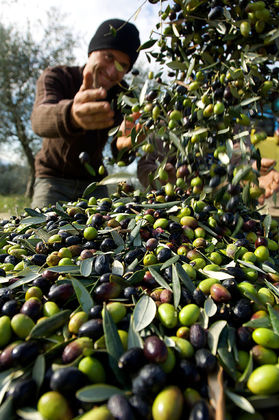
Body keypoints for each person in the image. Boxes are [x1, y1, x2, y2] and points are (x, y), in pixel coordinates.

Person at [30, 18, 141, 208]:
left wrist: (126, 145)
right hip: (53, 181)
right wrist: (71, 115)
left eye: (123, 66)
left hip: (95, 184)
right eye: (108, 57)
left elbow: (119, 156)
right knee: (40, 235)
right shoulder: (58, 76)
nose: (113, 70)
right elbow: (39, 118)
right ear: (92, 52)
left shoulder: (125, 96)